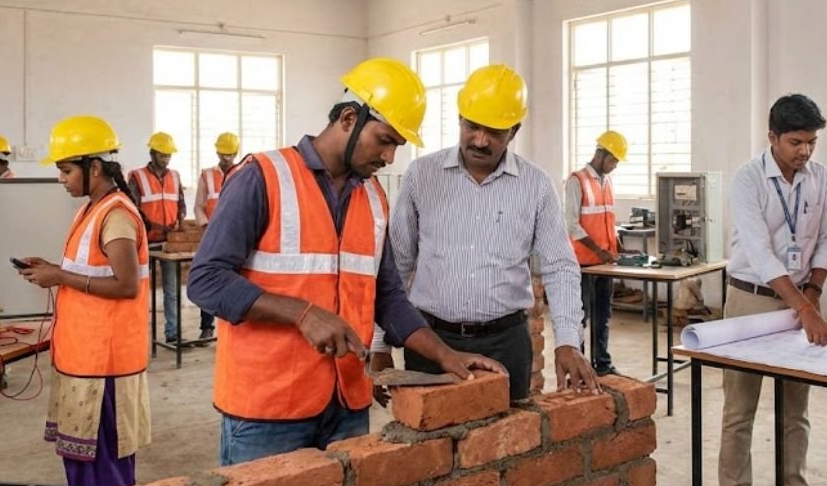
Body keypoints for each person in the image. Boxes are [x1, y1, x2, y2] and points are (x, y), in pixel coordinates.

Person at [188, 58, 504, 464]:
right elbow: (206, 280)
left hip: (347, 402)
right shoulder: (263, 176)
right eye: (384, 140)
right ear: (349, 118)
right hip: (268, 409)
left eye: (397, 147)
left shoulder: (373, 198)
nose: (389, 158)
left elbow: (387, 297)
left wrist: (446, 356)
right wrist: (303, 314)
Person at [373, 64, 599, 401]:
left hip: (505, 344)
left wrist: (567, 341)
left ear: (514, 130)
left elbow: (559, 266)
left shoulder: (536, 186)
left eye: (494, 131)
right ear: (460, 119)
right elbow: (396, 266)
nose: (480, 140)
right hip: (429, 340)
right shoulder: (423, 175)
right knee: (429, 449)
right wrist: (380, 342)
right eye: (472, 126)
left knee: (506, 445)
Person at [717, 93, 827, 486]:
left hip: (800, 300)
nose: (805, 151)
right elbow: (759, 251)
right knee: (739, 408)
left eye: (811, 142)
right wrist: (805, 308)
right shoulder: (749, 179)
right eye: (795, 142)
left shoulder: (819, 178)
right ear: (772, 137)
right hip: (751, 300)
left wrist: (812, 294)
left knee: (796, 409)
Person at [16, 115, 152, 486]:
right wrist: (52, 270)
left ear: (94, 168)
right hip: (84, 358)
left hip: (105, 364)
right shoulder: (91, 210)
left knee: (104, 476)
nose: (61, 178)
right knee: (84, 468)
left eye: (65, 169)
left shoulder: (117, 215)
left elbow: (125, 285)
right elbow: (88, 270)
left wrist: (59, 277)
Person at [564, 130, 628, 376]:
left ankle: (602, 364)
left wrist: (615, 243)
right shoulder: (576, 181)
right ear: (600, 154)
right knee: (580, 318)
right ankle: (578, 369)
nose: (614, 166)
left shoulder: (607, 181)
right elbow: (571, 224)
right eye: (612, 160)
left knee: (603, 316)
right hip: (583, 263)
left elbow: (607, 219)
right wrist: (598, 250)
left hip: (605, 262)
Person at [128, 132, 186, 342]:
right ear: (152, 153)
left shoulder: (175, 176)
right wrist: (150, 225)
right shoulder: (137, 176)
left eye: (168, 155)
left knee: (172, 290)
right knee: (140, 290)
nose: (166, 159)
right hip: (144, 243)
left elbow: (181, 204)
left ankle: (173, 334)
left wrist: (179, 220)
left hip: (168, 244)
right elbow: (133, 207)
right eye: (162, 155)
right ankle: (136, 334)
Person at [191, 132, 240, 341]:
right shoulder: (207, 175)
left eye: (229, 154)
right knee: (210, 279)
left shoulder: (245, 172)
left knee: (236, 281)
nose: (226, 158)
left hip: (237, 236)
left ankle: (233, 325)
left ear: (236, 153)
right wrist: (207, 227)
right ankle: (207, 327)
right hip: (212, 236)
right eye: (223, 154)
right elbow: (198, 206)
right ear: (217, 152)